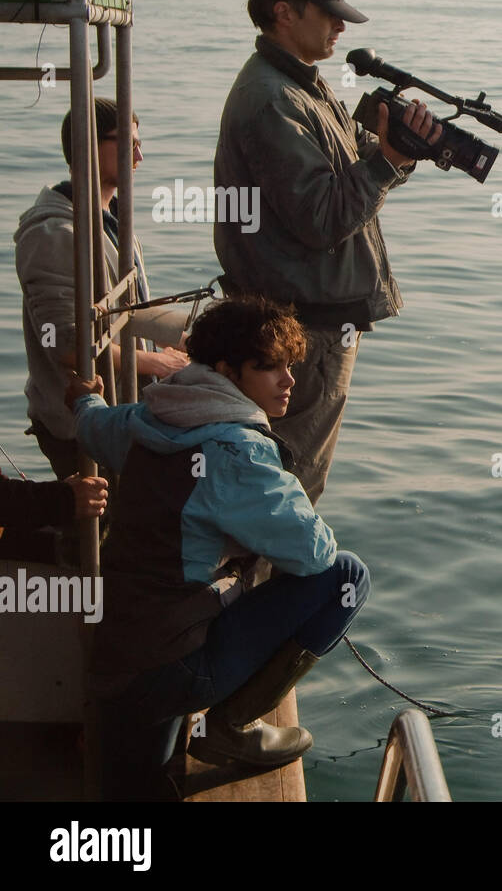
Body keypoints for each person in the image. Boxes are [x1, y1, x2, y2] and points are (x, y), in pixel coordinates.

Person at [67, 295, 370, 801]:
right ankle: (229, 726)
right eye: (269, 368)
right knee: (346, 577)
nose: (289, 381)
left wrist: (85, 398)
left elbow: (93, 425)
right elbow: (314, 555)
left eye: (290, 366)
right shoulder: (237, 451)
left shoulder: (149, 417)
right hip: (174, 666)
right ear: (228, 371)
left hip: (121, 658)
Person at [213, 0, 441, 504]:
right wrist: (387, 162)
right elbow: (322, 219)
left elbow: (354, 168)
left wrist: (399, 151)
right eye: (330, 12)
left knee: (280, 486)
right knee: (288, 492)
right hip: (304, 334)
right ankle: (268, 588)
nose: (341, 24)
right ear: (284, 12)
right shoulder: (273, 99)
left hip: (310, 325)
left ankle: (265, 583)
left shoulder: (302, 85)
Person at [14, 98, 189, 481]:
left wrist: (194, 334)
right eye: (128, 144)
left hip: (118, 410)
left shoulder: (109, 221)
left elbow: (123, 312)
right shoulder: (55, 235)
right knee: (95, 532)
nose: (139, 155)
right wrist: (158, 364)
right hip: (79, 422)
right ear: (89, 148)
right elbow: (66, 346)